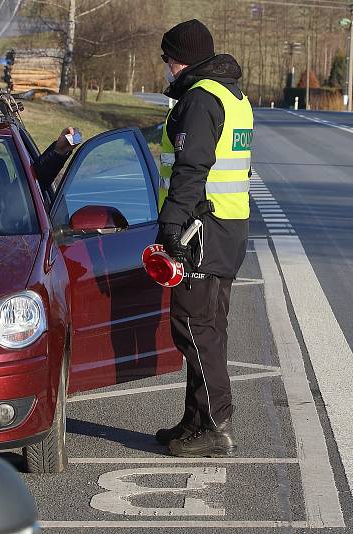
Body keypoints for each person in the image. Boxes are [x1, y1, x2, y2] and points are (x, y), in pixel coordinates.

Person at [154, 19, 253, 457]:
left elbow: (191, 170)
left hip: (201, 228)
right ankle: (196, 418)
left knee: (195, 326)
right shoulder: (233, 96)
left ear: (183, 60)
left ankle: (214, 425)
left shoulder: (199, 100)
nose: (167, 68)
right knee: (209, 327)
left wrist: (170, 226)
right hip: (227, 228)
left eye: (168, 60)